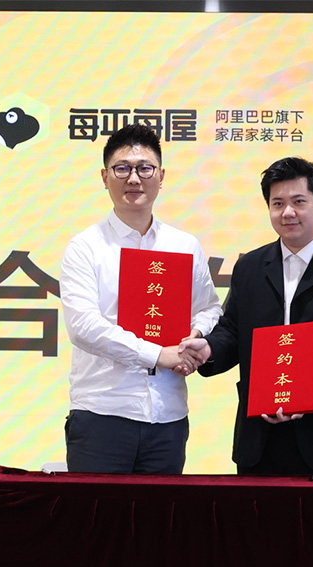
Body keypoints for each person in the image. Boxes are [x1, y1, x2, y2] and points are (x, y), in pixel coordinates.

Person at [180, 156, 313, 476]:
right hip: (259, 440)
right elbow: (233, 330)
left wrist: (309, 397)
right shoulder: (250, 267)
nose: (287, 212)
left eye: (298, 201)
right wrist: (208, 348)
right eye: (277, 203)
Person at [59, 124, 222, 474]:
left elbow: (209, 307)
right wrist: (158, 354)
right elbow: (83, 327)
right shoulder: (85, 247)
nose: (134, 178)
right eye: (122, 168)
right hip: (103, 414)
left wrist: (193, 338)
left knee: (162, 512)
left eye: (145, 168)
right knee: (96, 512)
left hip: (168, 415)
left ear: (161, 176)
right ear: (104, 177)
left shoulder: (183, 246)